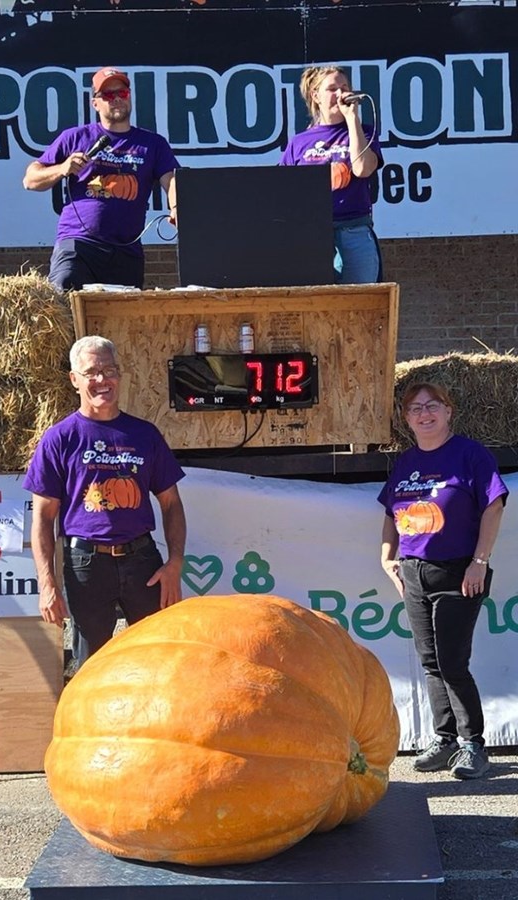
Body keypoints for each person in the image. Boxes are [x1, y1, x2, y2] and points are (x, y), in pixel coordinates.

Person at [25, 335, 187, 658]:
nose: (102, 380)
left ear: (120, 376)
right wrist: (47, 584)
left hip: (142, 561)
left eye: (110, 370)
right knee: (92, 661)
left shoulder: (145, 435)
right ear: (74, 380)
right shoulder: (59, 439)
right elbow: (43, 519)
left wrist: (174, 564)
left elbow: (171, 503)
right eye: (92, 372)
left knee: (158, 653)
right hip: (86, 564)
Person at [380, 383, 506, 780]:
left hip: (459, 571)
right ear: (406, 419)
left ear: (449, 411)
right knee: (431, 662)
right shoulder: (405, 462)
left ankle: (473, 744)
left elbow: (494, 504)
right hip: (414, 571)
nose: (424, 413)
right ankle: (445, 738)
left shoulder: (471, 455)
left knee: (452, 662)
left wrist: (479, 562)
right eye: (415, 408)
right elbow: (391, 512)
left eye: (432, 405)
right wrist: (387, 557)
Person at [23, 67, 179, 292]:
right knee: (64, 288)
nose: (116, 99)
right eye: (108, 95)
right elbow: (30, 179)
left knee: (121, 319)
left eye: (122, 93)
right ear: (95, 103)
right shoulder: (75, 137)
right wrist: (62, 168)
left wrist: (176, 207)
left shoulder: (153, 143)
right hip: (79, 243)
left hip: (126, 249)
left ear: (130, 97)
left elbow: (171, 179)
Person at [279, 65, 383, 284]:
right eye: (332, 89)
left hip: (354, 229)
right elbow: (283, 191)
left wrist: (352, 119)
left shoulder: (364, 132)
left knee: (361, 305)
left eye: (345, 87)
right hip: (313, 234)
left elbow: (363, 168)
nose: (341, 93)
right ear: (315, 96)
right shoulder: (299, 142)